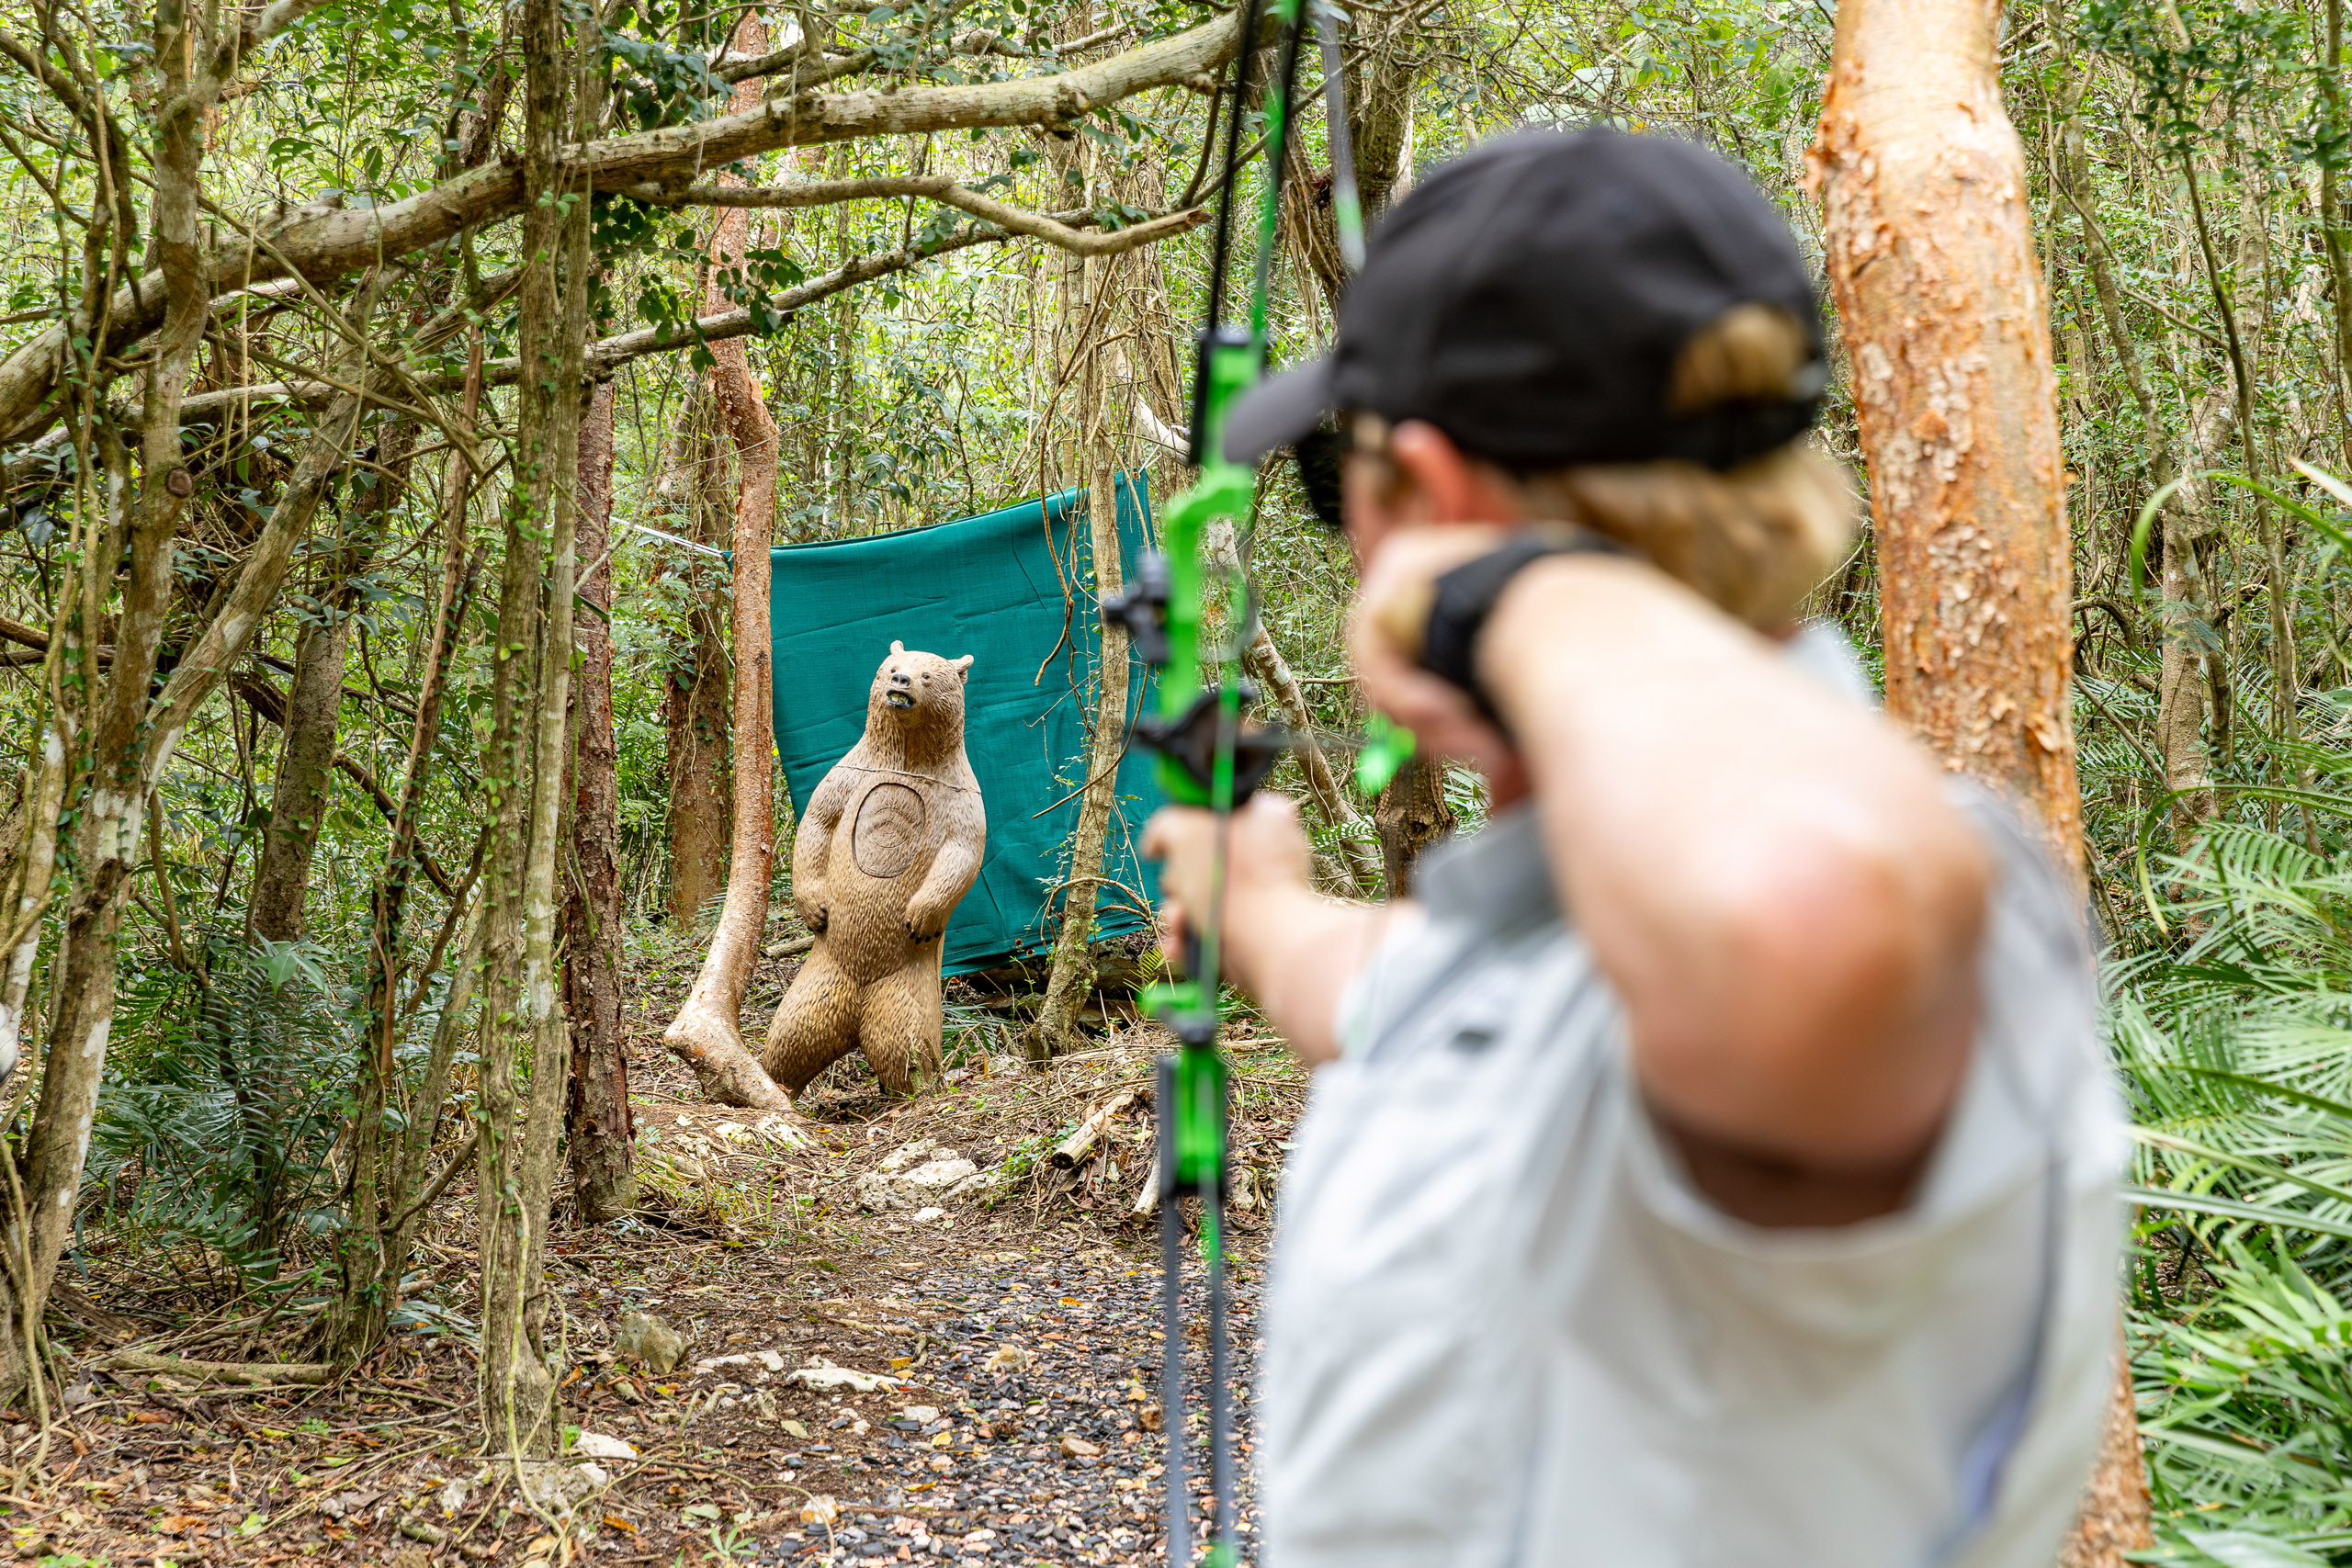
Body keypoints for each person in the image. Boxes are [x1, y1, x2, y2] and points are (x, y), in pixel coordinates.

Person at [1140, 128, 2125, 1568]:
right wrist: (1261, 904)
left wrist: (1501, 590)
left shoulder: (1883, 901)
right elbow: (1416, 989)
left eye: (1340, 486)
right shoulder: (1589, 939)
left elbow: (1807, 913)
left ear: (1417, 496)